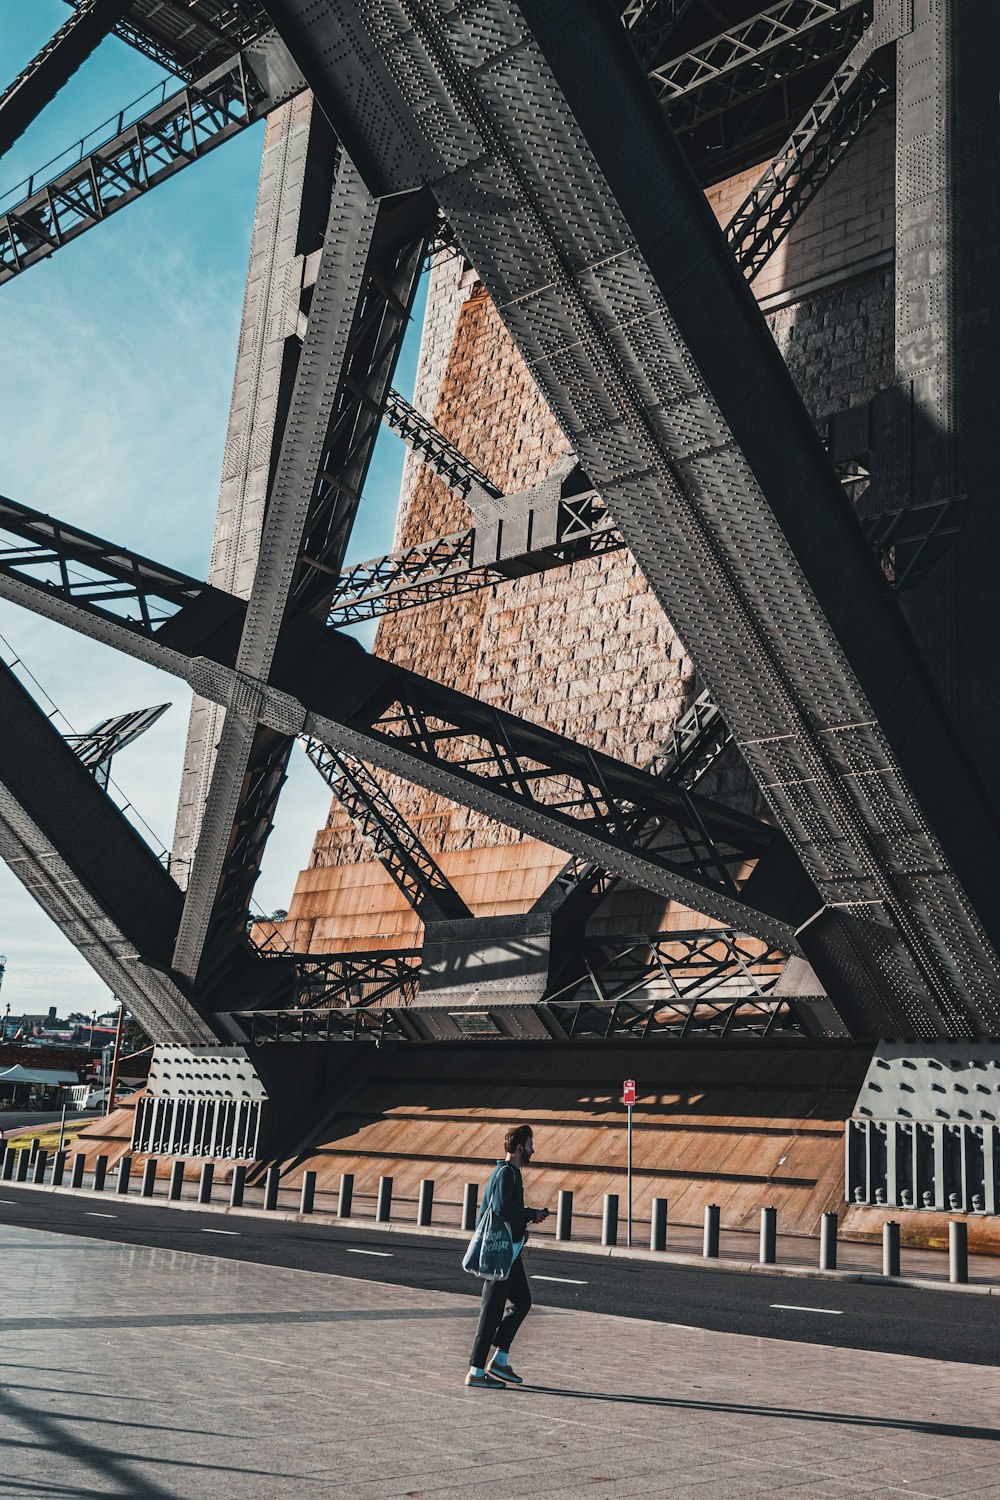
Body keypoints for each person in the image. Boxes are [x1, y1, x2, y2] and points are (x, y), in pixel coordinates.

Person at [466, 1123, 550, 1388]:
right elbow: (504, 1209)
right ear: (518, 1147)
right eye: (529, 1145)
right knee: (490, 1313)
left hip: (510, 1252)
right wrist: (529, 1215)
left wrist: (528, 1216)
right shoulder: (505, 1174)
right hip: (499, 1252)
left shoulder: (513, 1173)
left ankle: (500, 1359)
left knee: (523, 1302)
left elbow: (509, 1208)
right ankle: (476, 1372)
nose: (532, 1150)